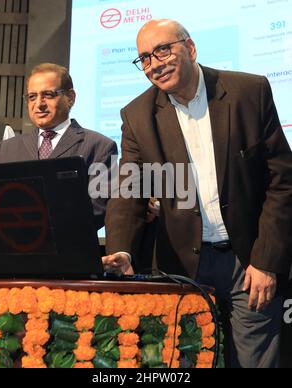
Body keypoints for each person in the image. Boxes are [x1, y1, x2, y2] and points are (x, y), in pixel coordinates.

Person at [103, 19, 292, 368]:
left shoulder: (249, 91)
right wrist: (121, 248)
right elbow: (128, 190)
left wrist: (267, 259)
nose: (154, 64)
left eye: (162, 50)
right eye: (144, 58)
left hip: (247, 258)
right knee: (180, 364)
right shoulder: (137, 115)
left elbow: (282, 181)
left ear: (190, 48)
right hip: (179, 264)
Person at [0, 63, 117, 230]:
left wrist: (38, 228)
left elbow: (97, 209)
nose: (39, 104)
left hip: (70, 252)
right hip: (14, 250)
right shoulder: (7, 148)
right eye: (32, 97)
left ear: (70, 97)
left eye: (48, 95)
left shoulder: (99, 146)